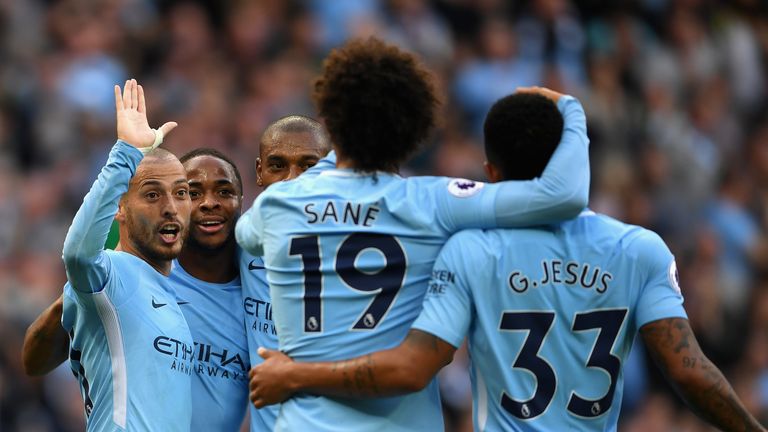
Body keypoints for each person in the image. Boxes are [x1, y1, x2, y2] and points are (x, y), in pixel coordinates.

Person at [248, 93, 766, 432]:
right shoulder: (640, 248)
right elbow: (691, 373)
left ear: (491, 172)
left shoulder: (471, 249)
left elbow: (409, 368)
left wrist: (298, 375)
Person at [235, 37, 590, 432]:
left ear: (333, 125)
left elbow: (247, 233)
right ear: (414, 131)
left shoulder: (278, 206)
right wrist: (570, 110)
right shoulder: (434, 201)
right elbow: (563, 195)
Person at [22, 114, 332, 431]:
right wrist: (71, 301)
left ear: (242, 200)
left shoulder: (261, 273)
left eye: (224, 191)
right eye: (192, 192)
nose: (209, 203)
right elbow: (35, 362)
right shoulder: (135, 273)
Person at [61, 79, 194, 431]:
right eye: (152, 195)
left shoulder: (170, 292)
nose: (170, 207)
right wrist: (126, 154)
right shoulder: (112, 276)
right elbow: (77, 254)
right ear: (120, 207)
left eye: (181, 193)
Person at [242, 114, 332, 430]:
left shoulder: (363, 254)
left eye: (308, 166)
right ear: (259, 172)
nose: (292, 179)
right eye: (278, 166)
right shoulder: (236, 245)